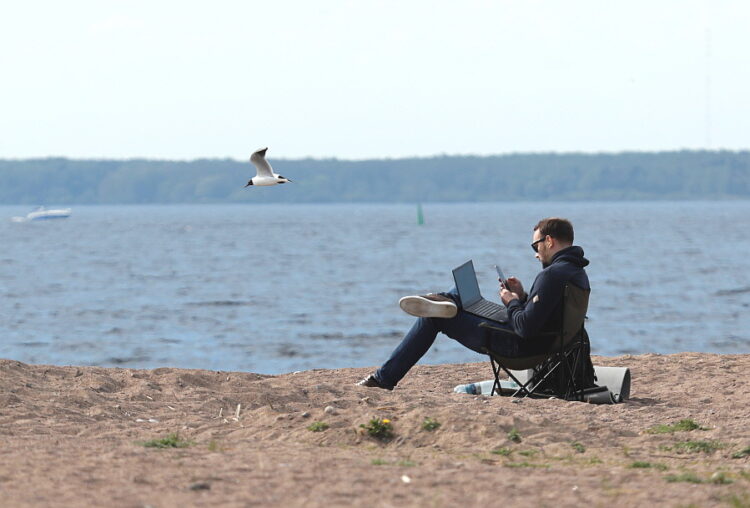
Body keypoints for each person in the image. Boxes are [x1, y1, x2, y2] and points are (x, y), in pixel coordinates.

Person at [357, 217, 590, 390]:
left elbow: (525, 328)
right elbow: (546, 316)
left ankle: (383, 379)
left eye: (535, 246)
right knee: (456, 296)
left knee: (433, 318)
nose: (535, 254)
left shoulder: (551, 275)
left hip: (519, 348)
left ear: (549, 241)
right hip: (540, 343)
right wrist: (522, 297)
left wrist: (511, 302)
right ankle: (445, 299)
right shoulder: (575, 271)